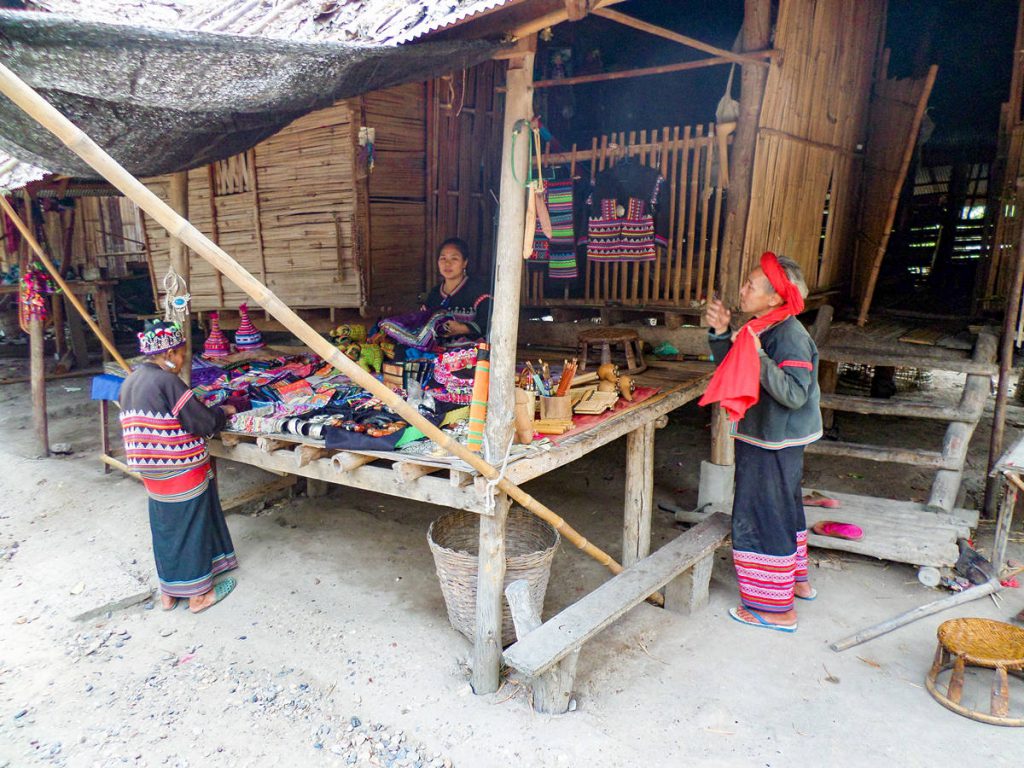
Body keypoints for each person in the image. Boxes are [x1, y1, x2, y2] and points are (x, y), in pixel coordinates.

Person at [701, 252, 822, 632]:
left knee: (762, 513)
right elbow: (736, 366)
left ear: (774, 297)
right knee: (784, 506)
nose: (743, 289)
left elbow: (795, 393)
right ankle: (795, 581)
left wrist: (758, 355)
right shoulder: (763, 325)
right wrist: (722, 334)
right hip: (770, 436)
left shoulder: (788, 336)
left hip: (775, 440)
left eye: (750, 285)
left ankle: (774, 609)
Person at [118, 320, 239, 614]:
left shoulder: (130, 381)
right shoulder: (168, 382)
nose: (183, 359)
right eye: (182, 352)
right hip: (181, 469)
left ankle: (169, 593)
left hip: (151, 472)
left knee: (167, 527)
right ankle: (200, 595)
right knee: (192, 526)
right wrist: (224, 410)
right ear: (169, 353)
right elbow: (202, 422)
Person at [379, 238, 492, 352]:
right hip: (436, 354)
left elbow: (489, 323)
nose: (447, 263)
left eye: (454, 258)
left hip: (469, 355)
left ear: (465, 263)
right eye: (443, 258)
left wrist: (462, 328)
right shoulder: (434, 294)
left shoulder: (478, 291)